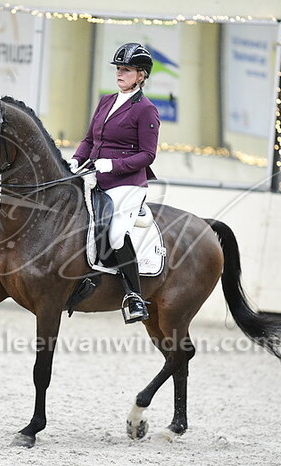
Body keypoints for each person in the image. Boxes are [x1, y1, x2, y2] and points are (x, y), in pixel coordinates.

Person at [70, 43, 160, 324]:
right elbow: (89, 139)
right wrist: (76, 160)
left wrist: (113, 165)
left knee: (117, 233)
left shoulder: (146, 110)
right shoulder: (106, 101)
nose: (120, 73)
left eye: (127, 70)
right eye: (118, 68)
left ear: (141, 75)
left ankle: (134, 296)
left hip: (127, 183)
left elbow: (148, 155)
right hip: (95, 176)